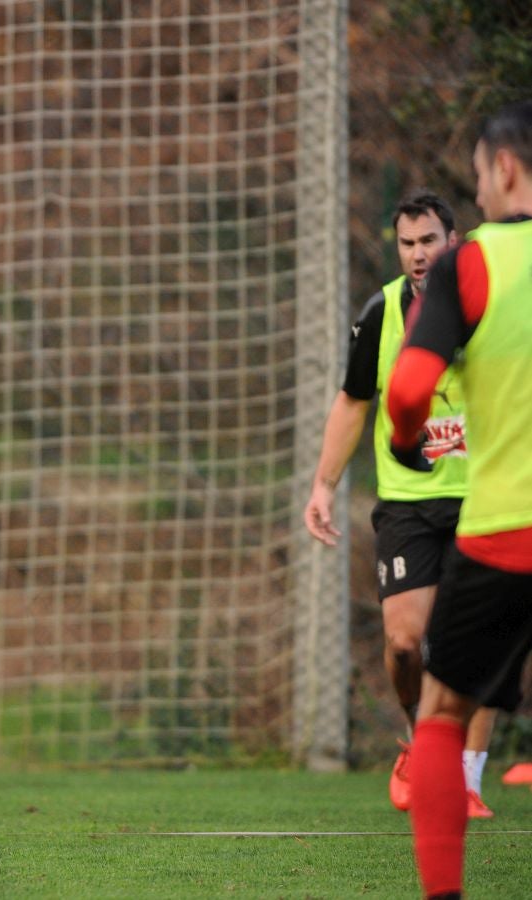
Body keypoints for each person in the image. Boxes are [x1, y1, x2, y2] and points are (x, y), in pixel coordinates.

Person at [303, 189, 496, 818]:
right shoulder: (381, 310)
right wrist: (324, 486)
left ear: (453, 240)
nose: (418, 255)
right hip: (408, 506)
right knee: (407, 645)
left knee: (479, 641)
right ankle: (421, 743)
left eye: (429, 241)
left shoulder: (488, 302)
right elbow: (354, 400)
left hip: (485, 497)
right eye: (408, 243)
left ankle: (464, 779)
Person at [387, 98, 532, 899]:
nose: (476, 193)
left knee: (441, 711)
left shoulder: (471, 264)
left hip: (506, 529)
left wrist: (407, 440)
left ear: (503, 168)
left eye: (477, 175)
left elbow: (408, 392)